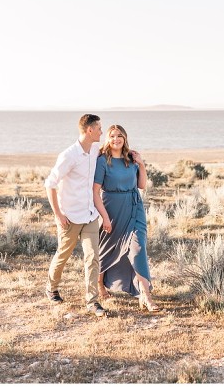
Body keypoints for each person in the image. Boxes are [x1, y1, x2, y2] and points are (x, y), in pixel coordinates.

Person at [44, 114, 111, 317]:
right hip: (70, 217)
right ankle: (51, 287)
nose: (102, 132)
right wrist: (58, 215)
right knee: (63, 255)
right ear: (89, 130)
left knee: (92, 258)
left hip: (90, 215)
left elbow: (114, 150)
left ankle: (92, 301)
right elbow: (50, 184)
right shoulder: (68, 155)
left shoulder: (95, 150)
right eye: (99, 128)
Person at [93, 124, 160, 312]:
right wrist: (105, 217)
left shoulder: (130, 158)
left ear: (125, 138)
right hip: (111, 209)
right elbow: (95, 192)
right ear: (107, 139)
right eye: (112, 136)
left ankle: (145, 295)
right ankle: (100, 285)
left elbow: (142, 185)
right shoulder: (102, 161)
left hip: (134, 207)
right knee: (106, 249)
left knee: (138, 248)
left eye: (119, 135)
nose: (116, 139)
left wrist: (141, 164)